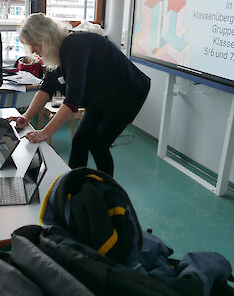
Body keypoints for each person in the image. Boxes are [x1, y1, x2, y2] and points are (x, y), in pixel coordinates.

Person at [11, 13, 151, 177]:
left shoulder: (75, 46)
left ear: (45, 38)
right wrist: (26, 116)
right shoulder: (56, 52)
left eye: (35, 45)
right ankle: (73, 184)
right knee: (80, 140)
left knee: (99, 144)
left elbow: (73, 99)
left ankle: (106, 187)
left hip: (127, 93)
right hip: (101, 94)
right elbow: (47, 88)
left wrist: (45, 132)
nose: (34, 51)